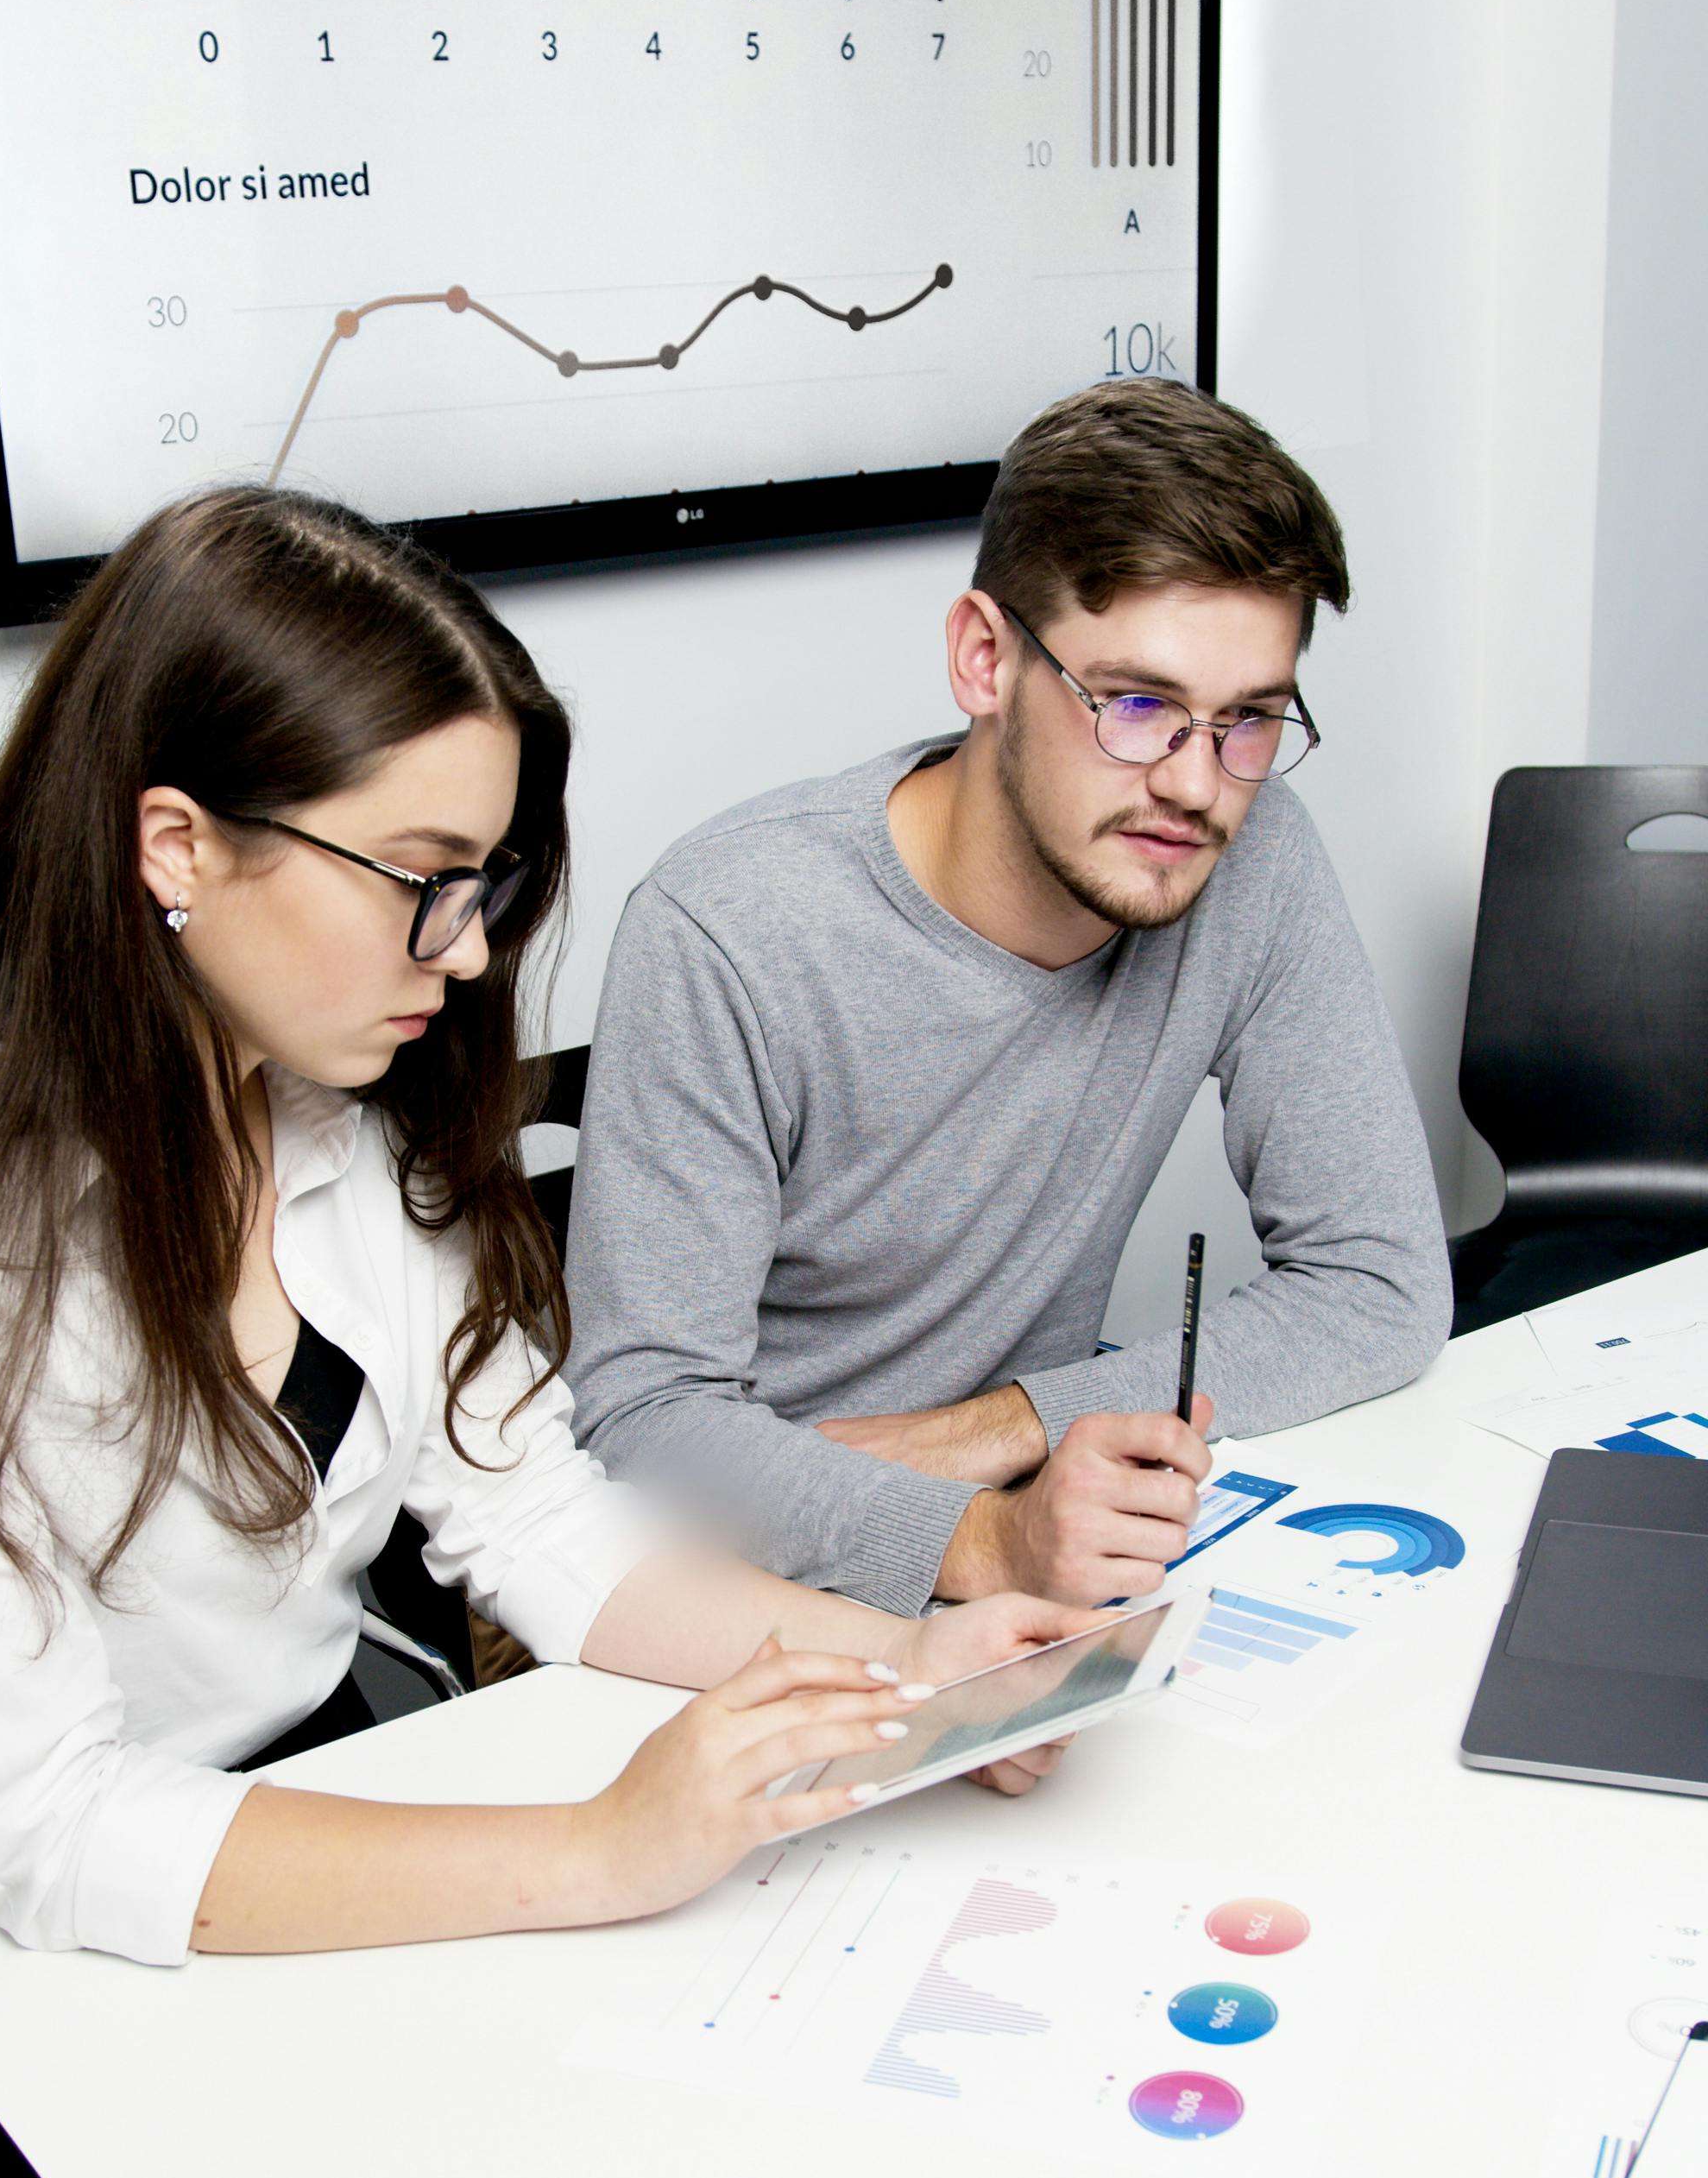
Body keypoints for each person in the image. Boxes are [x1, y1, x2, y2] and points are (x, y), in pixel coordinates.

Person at [0, 489, 1085, 1972]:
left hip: (318, 1778)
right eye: (424, 879)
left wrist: (905, 1665)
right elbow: (49, 1824)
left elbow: (534, 1519)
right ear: (174, 844)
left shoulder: (330, 1118)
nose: (474, 947)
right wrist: (604, 1845)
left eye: (484, 884)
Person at [564, 378, 1452, 1615]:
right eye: (1136, 705)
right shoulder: (730, 926)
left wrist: (1006, 1429)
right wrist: (976, 1536)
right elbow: (644, 1424)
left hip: (1019, 1536)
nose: (1196, 786)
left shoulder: (1255, 859)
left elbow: (1380, 1286)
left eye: (1248, 720)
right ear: (984, 659)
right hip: (727, 1567)